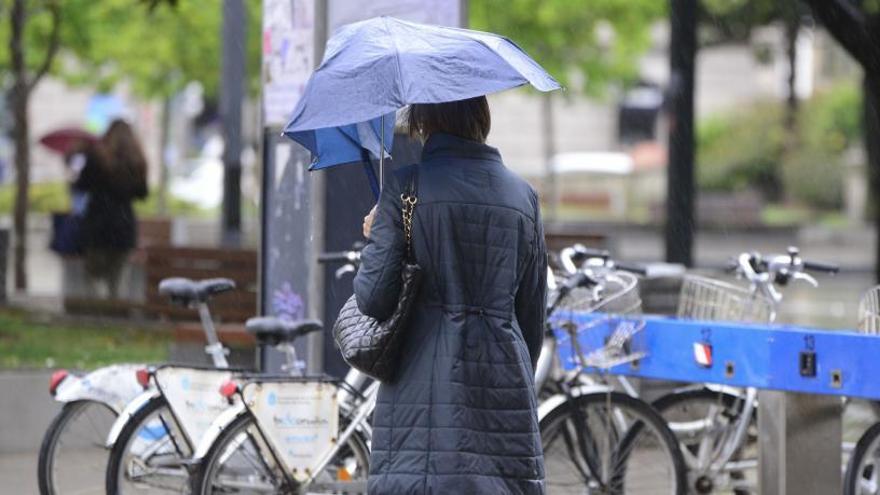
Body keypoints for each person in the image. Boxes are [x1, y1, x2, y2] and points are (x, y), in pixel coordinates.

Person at [353, 96, 547, 494]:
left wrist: (376, 239)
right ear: (481, 116)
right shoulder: (523, 196)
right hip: (503, 392)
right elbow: (531, 318)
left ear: (425, 120)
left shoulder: (406, 186)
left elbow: (373, 298)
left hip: (420, 390)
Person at [74, 120, 148, 299]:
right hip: (123, 225)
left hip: (98, 225)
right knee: (116, 280)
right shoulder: (137, 160)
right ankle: (114, 313)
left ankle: (95, 315)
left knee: (92, 275)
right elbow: (143, 193)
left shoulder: (96, 157)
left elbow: (81, 186)